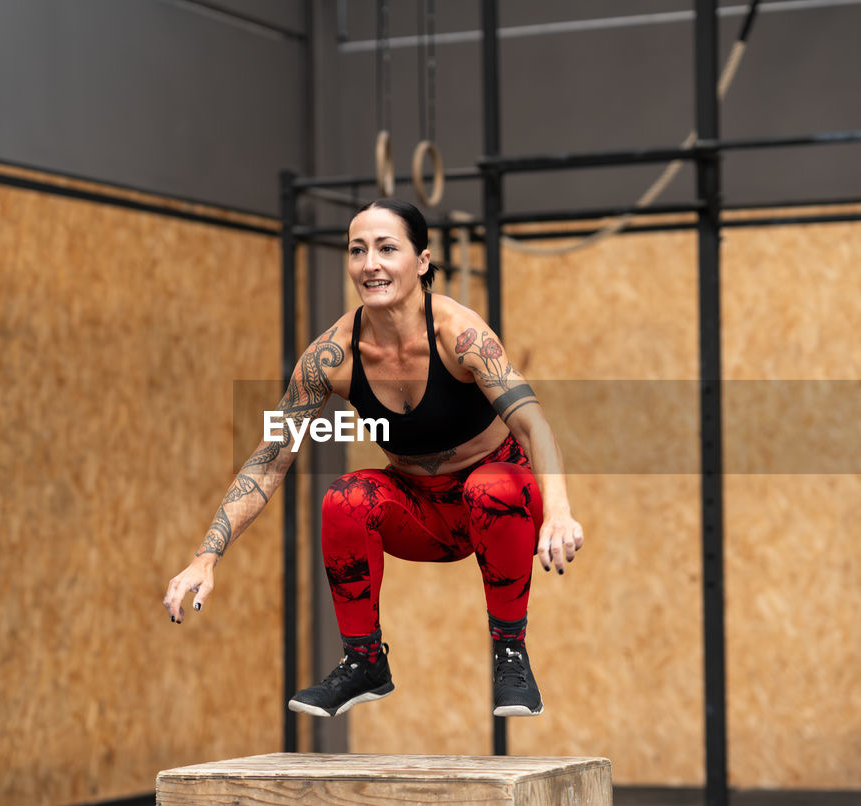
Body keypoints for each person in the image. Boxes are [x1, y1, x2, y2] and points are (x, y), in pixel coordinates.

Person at [163, 198, 583, 718]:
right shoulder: (331, 356)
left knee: (490, 488)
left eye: (387, 249)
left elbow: (533, 422)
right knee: (345, 497)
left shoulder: (460, 334)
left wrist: (559, 511)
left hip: (499, 498)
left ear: (422, 262)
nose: (371, 264)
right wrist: (207, 556)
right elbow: (269, 459)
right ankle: (364, 662)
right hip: (422, 511)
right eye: (357, 250)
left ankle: (510, 652)